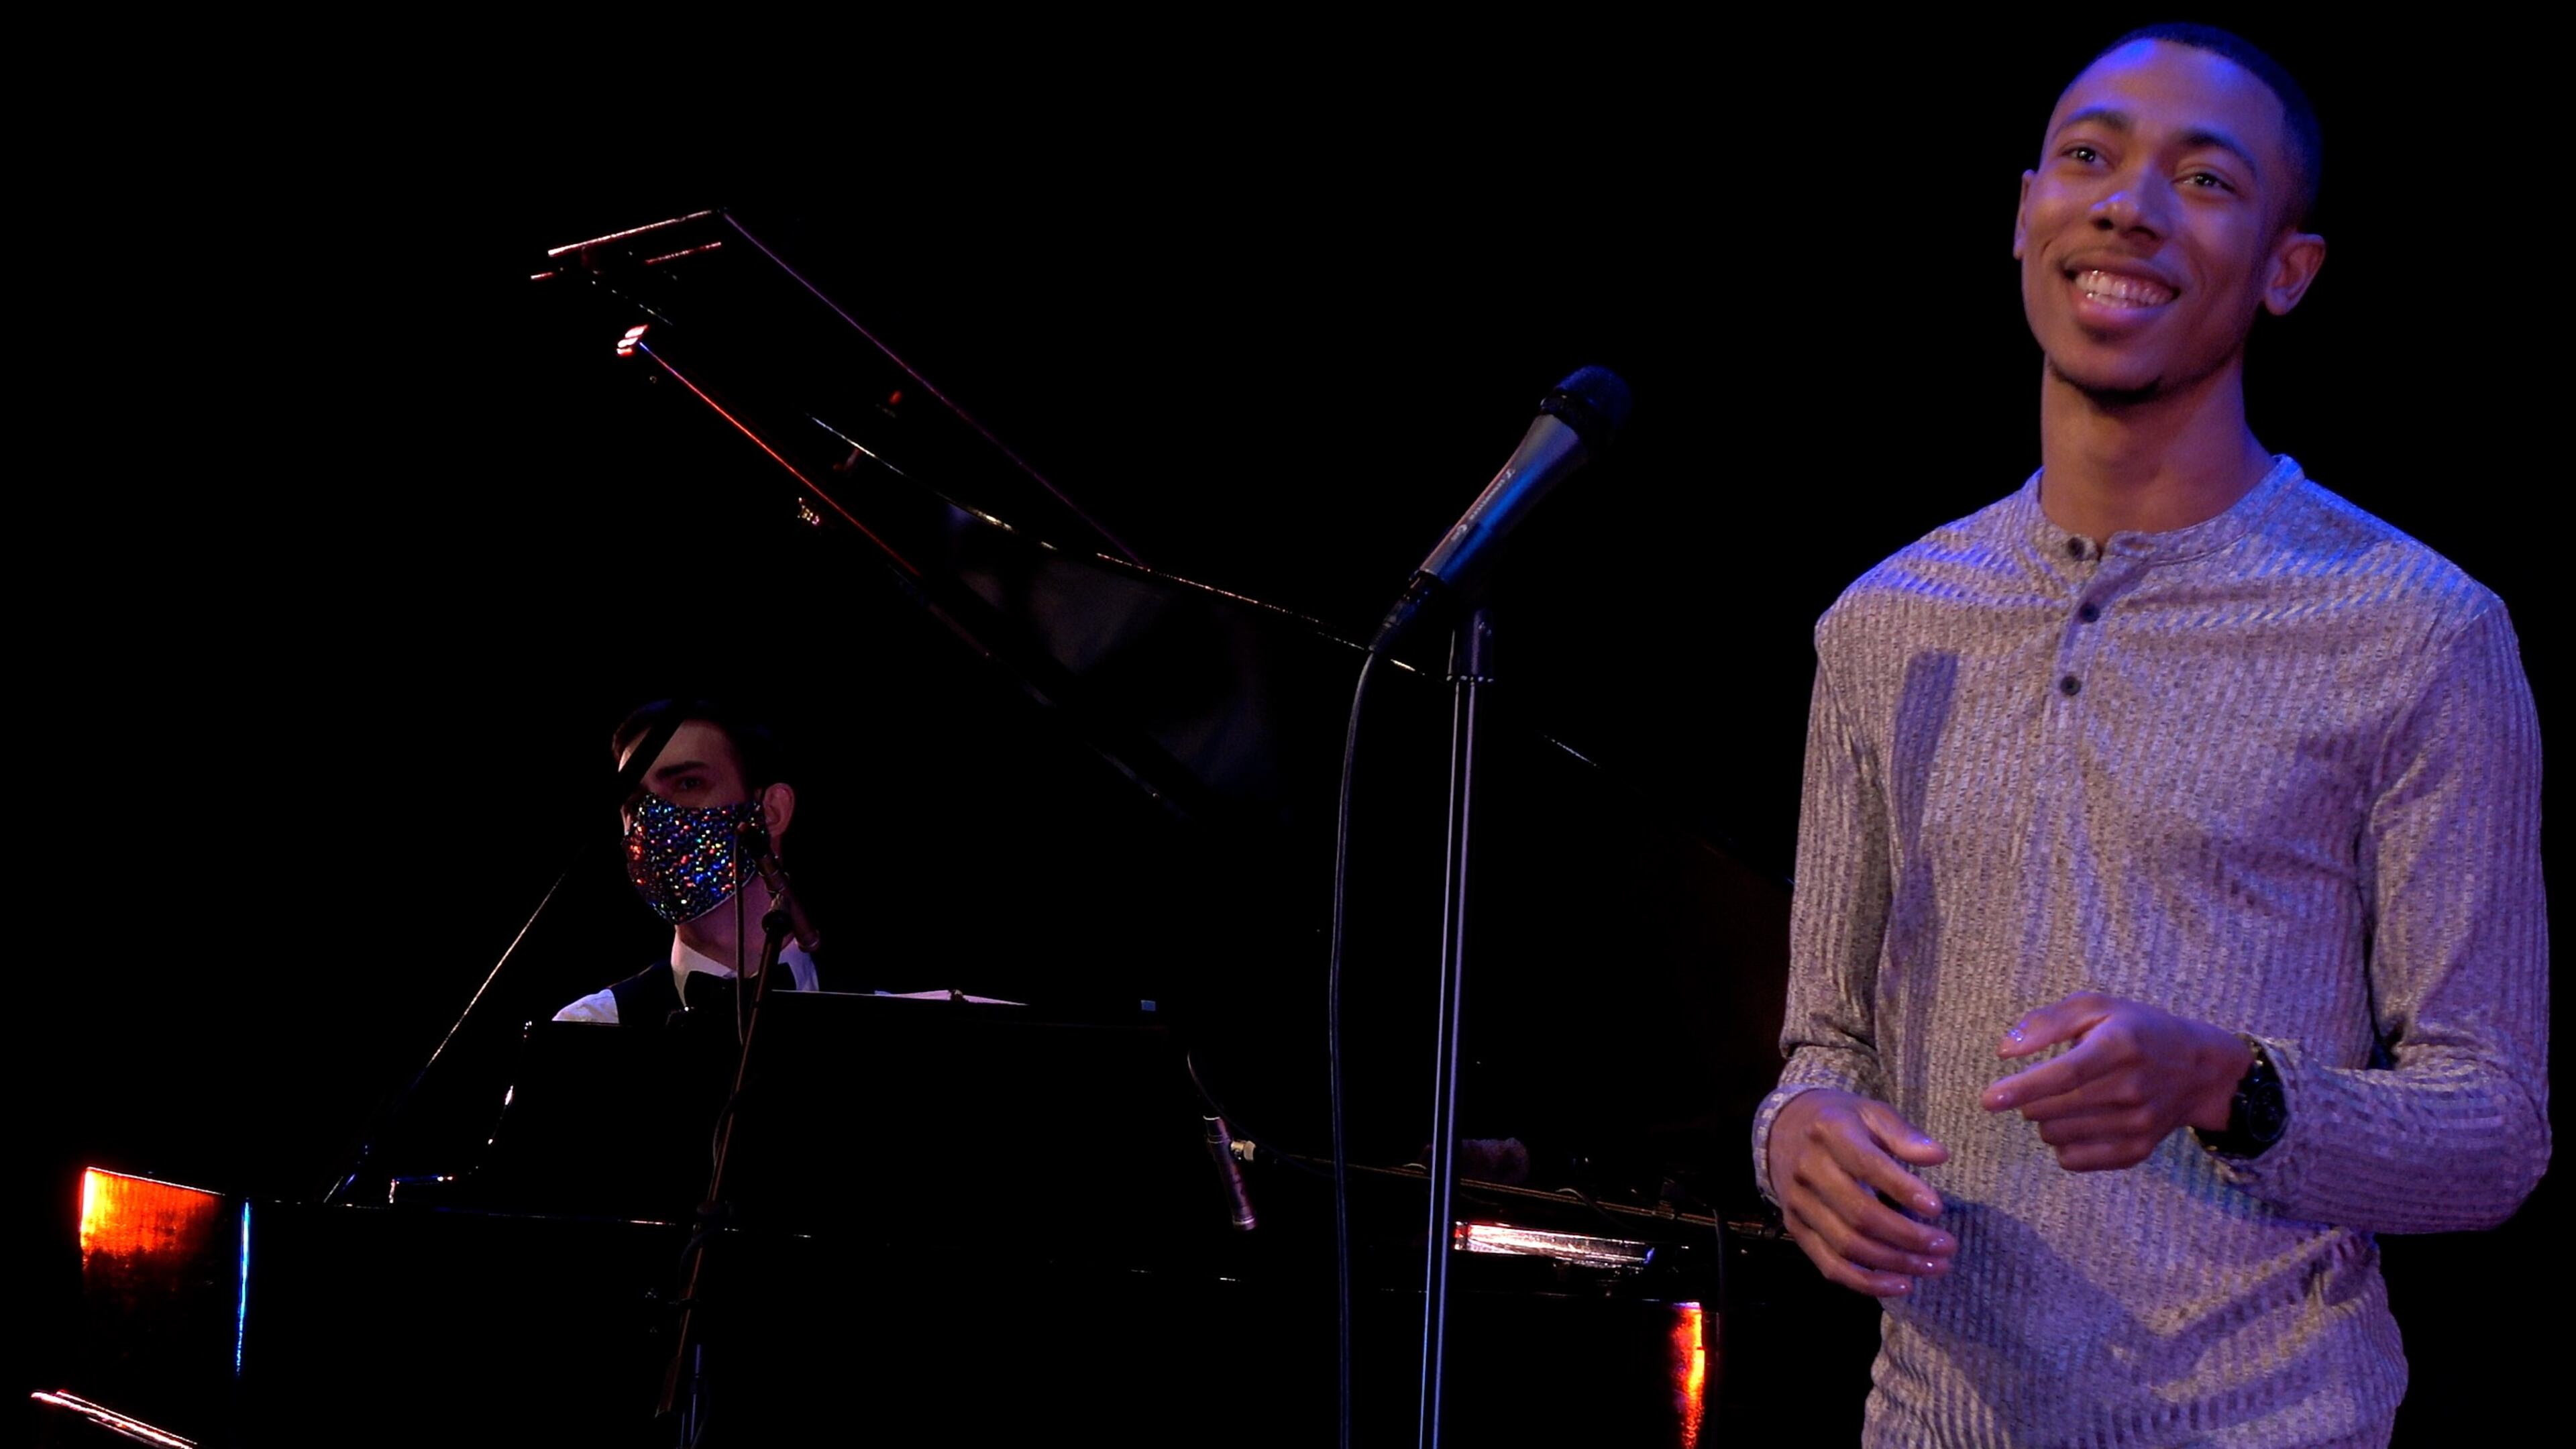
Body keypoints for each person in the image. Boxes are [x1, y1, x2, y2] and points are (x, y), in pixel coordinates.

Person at [1752, 24, 2548, 1446]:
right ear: (2024, 215)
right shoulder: (1886, 625)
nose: (2128, 205)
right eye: (2090, 159)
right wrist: (1796, 1137)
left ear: (2287, 271)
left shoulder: (2414, 631)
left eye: (2205, 180)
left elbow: (2491, 1135)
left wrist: (2227, 1088)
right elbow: (1822, 1044)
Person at [555, 698, 826, 1025]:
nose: (654, 819)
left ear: (770, 811)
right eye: (635, 802)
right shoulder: (591, 1027)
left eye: (688, 783)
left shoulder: (893, 1019)